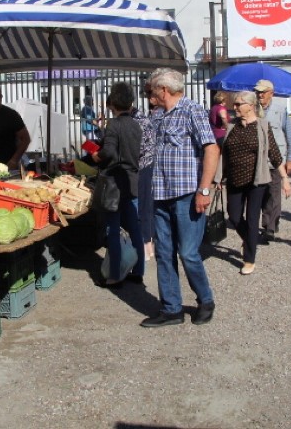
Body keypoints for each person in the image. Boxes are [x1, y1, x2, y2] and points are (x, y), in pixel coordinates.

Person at [141, 68, 219, 328]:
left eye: (153, 90)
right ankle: (171, 309)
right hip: (161, 195)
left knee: (188, 253)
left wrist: (204, 190)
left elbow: (211, 148)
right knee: (164, 254)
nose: (150, 95)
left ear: (164, 90)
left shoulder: (191, 110)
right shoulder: (158, 116)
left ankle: (205, 300)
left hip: (187, 195)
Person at [221, 90, 291, 275]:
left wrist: (285, 179)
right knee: (234, 216)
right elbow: (224, 154)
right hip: (235, 180)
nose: (234, 107)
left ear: (251, 106)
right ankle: (249, 239)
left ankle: (249, 259)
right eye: (234, 104)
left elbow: (275, 155)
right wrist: (219, 177)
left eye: (238, 104)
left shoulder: (262, 126)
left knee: (252, 220)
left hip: (256, 181)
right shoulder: (231, 126)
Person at [92, 82, 146, 287]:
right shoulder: (135, 124)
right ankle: (138, 270)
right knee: (134, 229)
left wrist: (97, 156)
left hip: (115, 182)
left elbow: (110, 152)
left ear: (112, 103)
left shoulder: (114, 125)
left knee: (112, 230)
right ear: (131, 102)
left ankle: (114, 275)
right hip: (132, 180)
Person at [255, 79, 291, 240]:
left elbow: (290, 135)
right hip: (258, 160)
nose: (260, 95)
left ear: (271, 93)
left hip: (276, 160)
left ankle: (269, 226)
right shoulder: (253, 109)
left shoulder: (280, 110)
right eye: (258, 92)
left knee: (273, 193)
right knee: (261, 193)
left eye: (263, 92)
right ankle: (271, 221)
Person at [134, 81, 160, 261]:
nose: (148, 97)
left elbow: (142, 147)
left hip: (147, 166)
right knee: (149, 207)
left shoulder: (143, 119)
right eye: (146, 93)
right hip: (151, 165)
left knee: (146, 207)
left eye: (150, 93)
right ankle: (149, 244)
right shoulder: (150, 116)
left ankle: (147, 244)